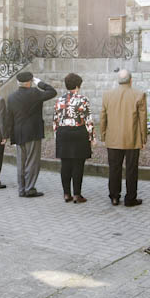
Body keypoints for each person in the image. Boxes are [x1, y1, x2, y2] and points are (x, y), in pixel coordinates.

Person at [6, 71, 57, 198]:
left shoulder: (11, 97)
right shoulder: (35, 92)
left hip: (18, 132)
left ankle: (22, 189)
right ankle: (29, 189)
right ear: (29, 82)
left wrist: (9, 135)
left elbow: (9, 118)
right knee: (32, 162)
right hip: (32, 132)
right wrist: (39, 82)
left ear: (18, 83)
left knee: (21, 162)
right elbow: (52, 91)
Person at [100, 69, 147, 207]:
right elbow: (142, 119)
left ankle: (114, 196)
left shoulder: (107, 95)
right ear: (131, 80)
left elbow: (103, 117)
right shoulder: (139, 95)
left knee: (114, 168)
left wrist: (103, 135)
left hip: (113, 138)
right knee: (132, 169)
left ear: (118, 80)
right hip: (132, 138)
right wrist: (143, 138)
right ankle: (130, 198)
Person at [53, 73, 95, 204]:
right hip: (78, 132)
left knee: (65, 164)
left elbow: (55, 119)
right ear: (78, 85)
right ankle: (77, 194)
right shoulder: (83, 99)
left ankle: (66, 194)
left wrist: (57, 135)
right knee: (78, 164)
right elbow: (88, 119)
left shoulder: (59, 100)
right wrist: (92, 137)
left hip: (63, 132)